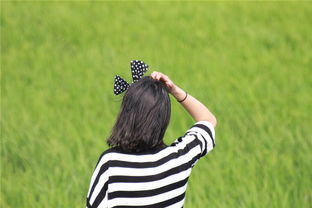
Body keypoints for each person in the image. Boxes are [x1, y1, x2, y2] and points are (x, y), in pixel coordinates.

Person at [86, 70, 217, 208]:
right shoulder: (179, 158)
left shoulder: (110, 163)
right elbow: (208, 120)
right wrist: (175, 90)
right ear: (164, 117)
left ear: (126, 116)